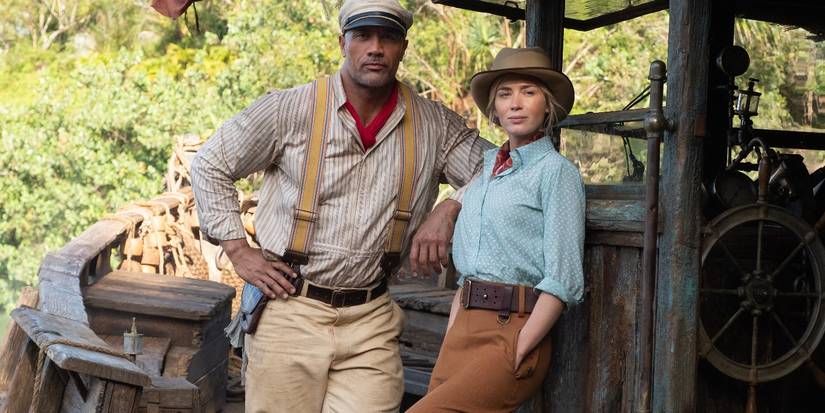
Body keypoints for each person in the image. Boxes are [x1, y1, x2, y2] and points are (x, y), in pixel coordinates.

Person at [190, 0, 493, 411]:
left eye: (387, 38)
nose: (375, 48)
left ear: (402, 47)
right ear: (342, 43)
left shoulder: (433, 124)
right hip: (289, 310)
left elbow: (504, 168)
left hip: (372, 320)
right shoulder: (290, 108)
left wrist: (451, 207)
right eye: (363, 36)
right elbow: (210, 164)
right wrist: (238, 250)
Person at [407, 47, 586, 413]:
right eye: (505, 94)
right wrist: (453, 333)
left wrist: (521, 346)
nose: (516, 103)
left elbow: (563, 278)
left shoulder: (556, 173)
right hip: (462, 329)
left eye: (528, 92)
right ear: (494, 109)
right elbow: (469, 273)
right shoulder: (487, 170)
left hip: (513, 329)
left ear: (547, 106)